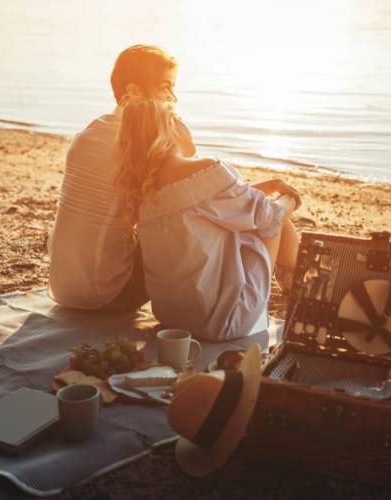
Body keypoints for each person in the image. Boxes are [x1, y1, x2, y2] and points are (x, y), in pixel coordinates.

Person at [116, 95, 301, 341]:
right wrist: (291, 199)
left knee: (255, 213)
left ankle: (295, 279)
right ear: (169, 128)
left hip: (173, 319)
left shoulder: (143, 189)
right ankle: (302, 278)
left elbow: (202, 204)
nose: (186, 123)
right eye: (178, 117)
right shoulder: (206, 168)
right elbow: (270, 218)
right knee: (273, 218)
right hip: (224, 321)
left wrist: (266, 189)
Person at [48, 45, 191, 311]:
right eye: (164, 87)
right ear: (133, 92)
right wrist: (176, 127)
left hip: (63, 286)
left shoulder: (90, 131)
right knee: (185, 227)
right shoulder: (142, 141)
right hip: (107, 295)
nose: (172, 97)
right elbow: (193, 185)